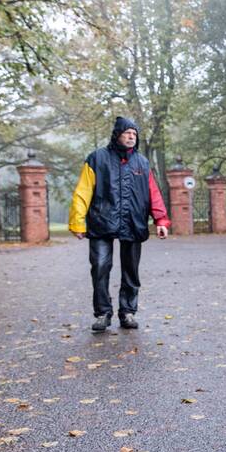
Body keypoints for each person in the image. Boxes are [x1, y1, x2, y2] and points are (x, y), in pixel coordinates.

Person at [69, 117, 170, 332]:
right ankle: (103, 313)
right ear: (117, 135)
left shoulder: (142, 163)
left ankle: (128, 312)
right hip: (101, 222)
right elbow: (82, 192)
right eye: (127, 133)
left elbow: (153, 193)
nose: (131, 137)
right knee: (100, 267)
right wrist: (78, 222)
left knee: (131, 270)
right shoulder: (97, 158)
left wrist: (161, 220)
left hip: (133, 222)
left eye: (134, 134)